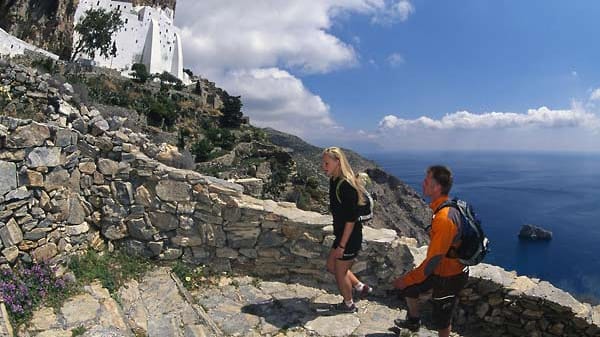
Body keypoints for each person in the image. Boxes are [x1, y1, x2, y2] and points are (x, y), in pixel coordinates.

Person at [392, 165, 469, 337]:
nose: (423, 183)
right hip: (441, 269)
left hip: (450, 275)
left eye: (427, 181)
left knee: (442, 320)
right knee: (410, 290)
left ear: (437, 187)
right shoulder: (443, 207)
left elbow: (433, 260)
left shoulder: (444, 218)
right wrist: (408, 282)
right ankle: (413, 322)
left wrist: (406, 279)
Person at [321, 146, 373, 313]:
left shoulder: (346, 186)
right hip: (342, 235)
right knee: (331, 265)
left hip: (349, 238)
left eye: (327, 163)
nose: (324, 166)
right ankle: (360, 287)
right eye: (323, 163)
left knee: (340, 272)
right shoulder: (334, 180)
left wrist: (342, 246)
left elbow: (351, 220)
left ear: (338, 162)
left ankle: (349, 305)